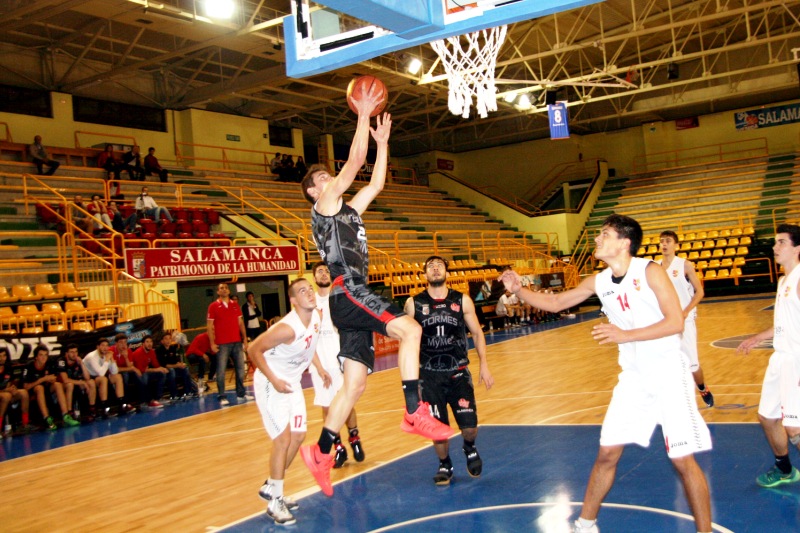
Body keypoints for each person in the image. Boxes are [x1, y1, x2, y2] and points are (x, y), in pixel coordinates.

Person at [498, 214, 712, 533]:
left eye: (605, 233)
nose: (597, 239)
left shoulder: (650, 271)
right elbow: (557, 302)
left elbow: (675, 323)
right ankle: (585, 524)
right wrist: (520, 290)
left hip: (668, 373)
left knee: (682, 460)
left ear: (624, 243)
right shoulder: (599, 281)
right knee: (607, 453)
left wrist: (626, 335)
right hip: (633, 379)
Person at [299, 89, 451, 497]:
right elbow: (353, 164)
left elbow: (375, 182)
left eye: (327, 177)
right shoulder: (324, 206)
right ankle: (413, 409)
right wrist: (363, 115)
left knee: (355, 385)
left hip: (348, 299)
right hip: (347, 289)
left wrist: (383, 144)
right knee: (412, 331)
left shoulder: (347, 210)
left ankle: (322, 451)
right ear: (315, 192)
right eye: (321, 179)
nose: (328, 180)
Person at [247, 278, 330, 526]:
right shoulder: (286, 328)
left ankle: (272, 486)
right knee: (282, 440)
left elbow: (310, 345)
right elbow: (253, 350)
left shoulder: (316, 316)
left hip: (292, 382)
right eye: (302, 291)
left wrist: (320, 367)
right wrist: (273, 379)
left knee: (299, 436)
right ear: (293, 300)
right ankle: (276, 502)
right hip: (272, 382)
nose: (309, 293)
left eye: (309, 289)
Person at [405, 256, 493, 485]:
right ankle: (445, 464)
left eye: (440, 266)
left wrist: (484, 364)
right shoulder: (413, 304)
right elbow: (406, 341)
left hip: (458, 372)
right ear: (425, 274)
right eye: (430, 267)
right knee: (438, 431)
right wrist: (411, 381)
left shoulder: (461, 300)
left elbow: (477, 332)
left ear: (446, 272)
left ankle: (469, 447)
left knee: (470, 427)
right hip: (429, 376)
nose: (435, 269)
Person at [737, 223, 800, 488]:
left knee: (795, 428)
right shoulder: (785, 280)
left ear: (797, 248)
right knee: (767, 416)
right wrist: (758, 337)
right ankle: (784, 469)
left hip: (796, 360)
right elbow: (785, 322)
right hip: (780, 359)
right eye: (775, 242)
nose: (775, 247)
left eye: (781, 242)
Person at [309, 262, 366, 468]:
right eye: (319, 271)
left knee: (346, 403)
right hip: (320, 363)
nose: (323, 274)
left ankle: (354, 438)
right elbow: (306, 339)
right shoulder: (309, 303)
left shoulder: (339, 299)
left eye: (326, 271)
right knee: (327, 407)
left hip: (341, 360)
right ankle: (338, 448)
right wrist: (318, 367)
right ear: (314, 277)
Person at [658, 230, 714, 407]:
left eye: (668, 241)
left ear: (676, 245)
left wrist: (685, 311)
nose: (664, 244)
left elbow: (700, 292)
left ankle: (702, 387)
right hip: (665, 320)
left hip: (685, 319)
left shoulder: (685, 265)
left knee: (692, 364)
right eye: (661, 241)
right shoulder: (656, 267)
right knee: (665, 360)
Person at [208, 282, 253, 405]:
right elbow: (209, 326)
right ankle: (222, 396)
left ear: (228, 291)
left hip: (236, 342)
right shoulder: (213, 306)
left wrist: (244, 339)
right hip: (222, 344)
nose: (224, 290)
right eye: (221, 288)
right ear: (218, 292)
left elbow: (240, 323)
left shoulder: (235, 305)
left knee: (240, 369)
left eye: (226, 288)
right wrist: (212, 343)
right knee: (221, 371)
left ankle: (241, 393)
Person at [23, 345, 79, 429]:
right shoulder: (29, 366)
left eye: (45, 355)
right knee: (39, 388)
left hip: (47, 389)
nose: (43, 357)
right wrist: (43, 379)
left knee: (57, 384)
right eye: (41, 355)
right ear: (36, 357)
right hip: (33, 391)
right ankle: (47, 418)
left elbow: (54, 378)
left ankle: (66, 415)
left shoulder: (49, 363)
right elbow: (26, 387)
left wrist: (51, 380)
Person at [83, 338, 134, 416]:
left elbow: (114, 371)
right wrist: (107, 359)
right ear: (97, 347)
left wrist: (112, 359)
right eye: (102, 345)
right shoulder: (92, 356)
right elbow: (101, 373)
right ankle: (105, 409)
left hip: (98, 376)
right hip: (88, 378)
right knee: (103, 379)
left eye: (107, 346)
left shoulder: (107, 354)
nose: (105, 348)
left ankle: (122, 405)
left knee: (117, 376)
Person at [56, 343, 97, 423]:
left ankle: (92, 409)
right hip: (61, 386)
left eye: (76, 352)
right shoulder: (61, 361)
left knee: (91, 382)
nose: (74, 354)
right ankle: (69, 413)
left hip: (75, 384)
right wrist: (81, 382)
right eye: (71, 352)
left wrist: (82, 363)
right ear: (66, 354)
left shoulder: (78, 361)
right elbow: (65, 380)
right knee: (70, 385)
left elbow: (87, 378)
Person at [156, 331, 196, 401]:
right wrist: (176, 365)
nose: (168, 340)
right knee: (171, 371)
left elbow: (175, 361)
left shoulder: (172, 348)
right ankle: (174, 395)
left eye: (169, 338)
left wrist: (180, 364)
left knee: (185, 369)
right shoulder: (159, 350)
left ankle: (188, 392)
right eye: (166, 339)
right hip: (164, 370)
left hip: (173, 368)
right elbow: (165, 365)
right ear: (162, 341)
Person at [0, 346, 32, 434]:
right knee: (6, 396)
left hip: (6, 393)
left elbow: (9, 384)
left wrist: (12, 389)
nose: (2, 359)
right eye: (0, 356)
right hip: (3, 394)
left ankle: (25, 424)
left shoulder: (8, 368)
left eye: (4, 356)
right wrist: (7, 390)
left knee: (23, 393)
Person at [129, 335, 167, 408]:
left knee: (162, 374)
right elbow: (141, 370)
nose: (149, 344)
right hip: (135, 373)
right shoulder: (138, 353)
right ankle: (144, 402)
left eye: (151, 342)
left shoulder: (152, 351)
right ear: (143, 344)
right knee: (144, 378)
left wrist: (161, 368)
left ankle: (159, 398)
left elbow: (156, 365)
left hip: (145, 371)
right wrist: (155, 369)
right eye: (147, 342)